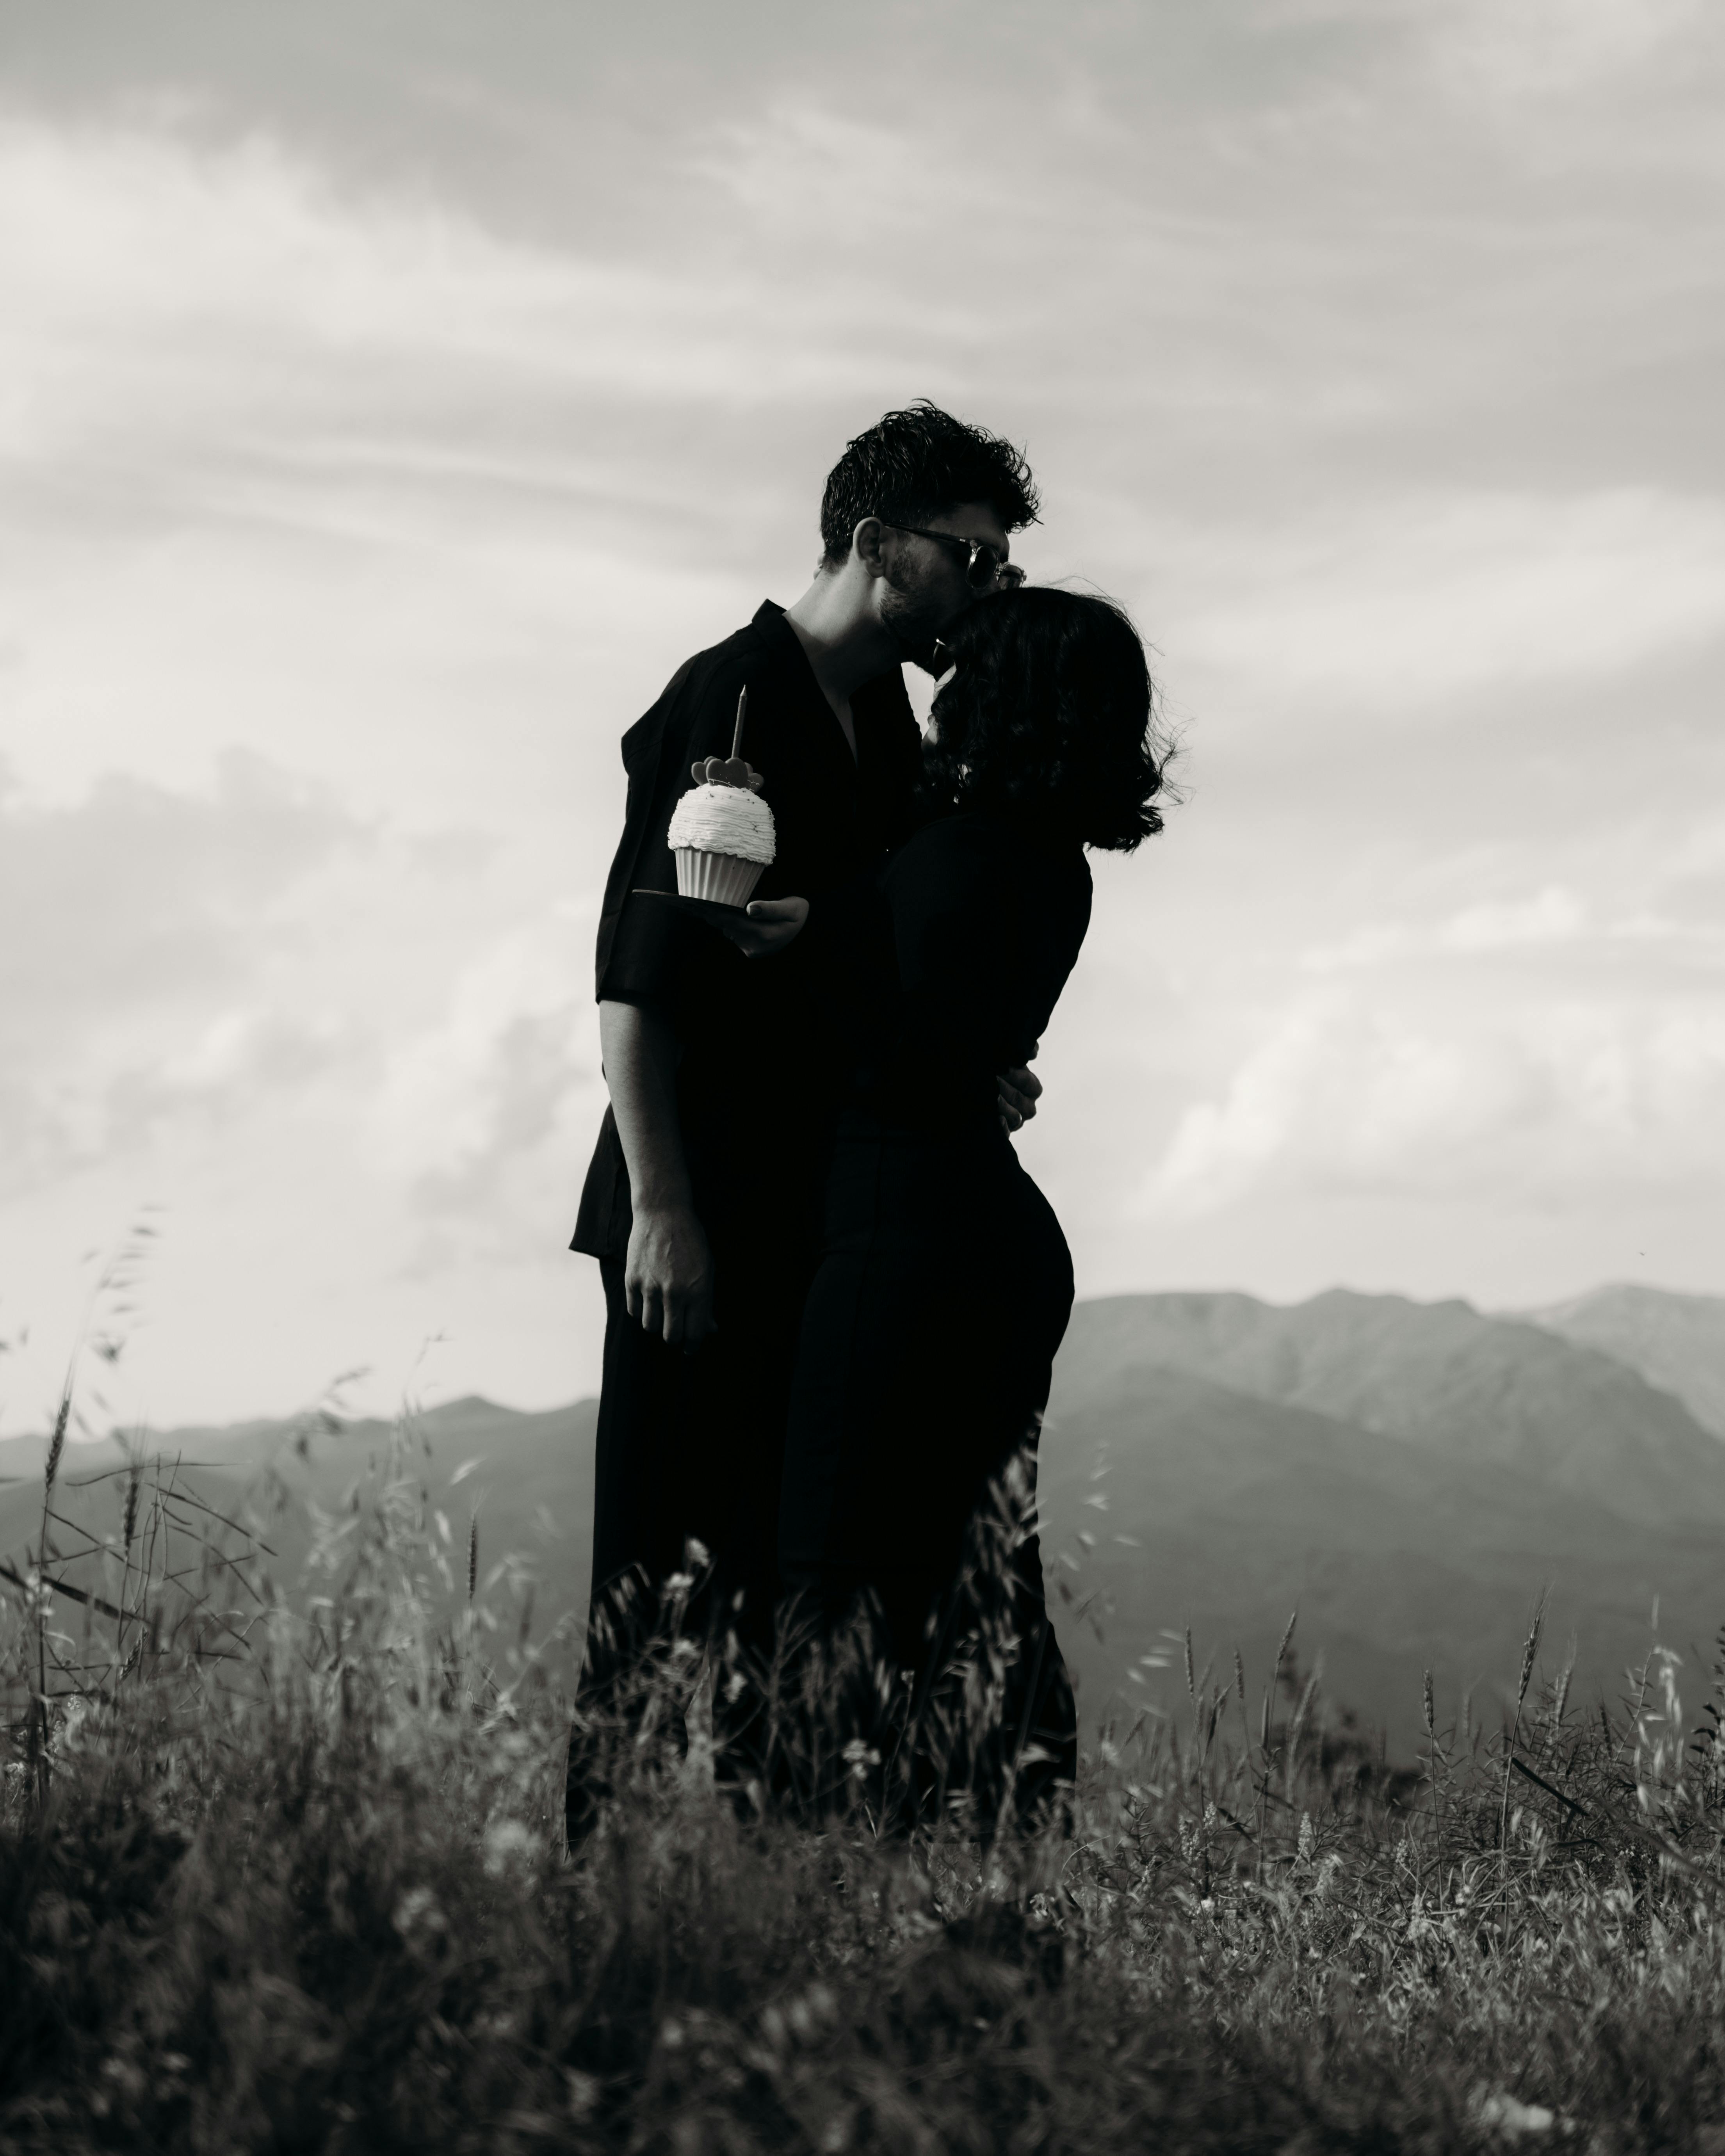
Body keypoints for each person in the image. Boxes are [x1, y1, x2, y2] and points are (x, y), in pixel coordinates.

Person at [567, 404, 1044, 1833]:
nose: (982, 588)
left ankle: (758, 1890)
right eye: (969, 555)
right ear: (872, 540)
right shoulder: (729, 697)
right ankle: (602, 1886)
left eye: (998, 567)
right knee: (660, 1564)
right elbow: (635, 982)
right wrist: (661, 1208)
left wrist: (956, 1059)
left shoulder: (880, 720)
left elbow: (852, 955)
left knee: (778, 1576)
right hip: (699, 1202)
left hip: (814, 1208)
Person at [736, 587, 1168, 1829]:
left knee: (834, 1563)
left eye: (966, 676)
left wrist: (806, 937)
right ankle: (997, 1841)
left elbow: (901, 1036)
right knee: (978, 1574)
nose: (943, 692)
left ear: (1007, 694)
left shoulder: (970, 852)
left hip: (909, 1233)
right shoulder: (1040, 855)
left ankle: (832, 1852)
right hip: (973, 1231)